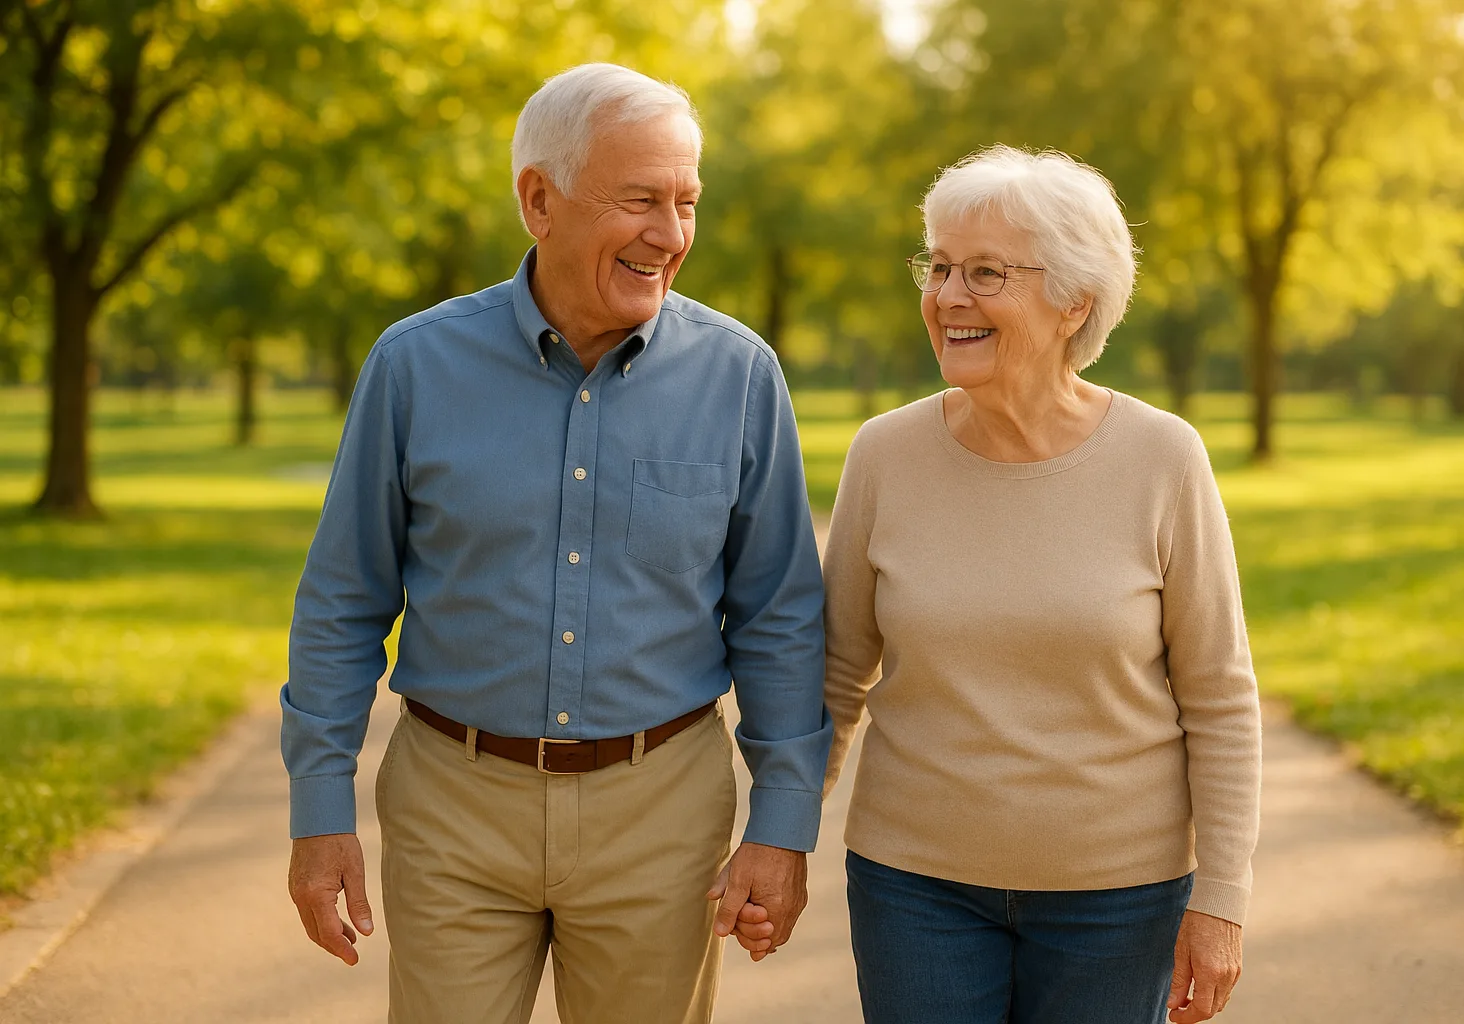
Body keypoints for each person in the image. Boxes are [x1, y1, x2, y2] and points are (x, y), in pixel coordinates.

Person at [281, 63, 831, 1024]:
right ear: (539, 199)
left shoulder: (740, 377)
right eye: (641, 200)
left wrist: (782, 825)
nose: (670, 235)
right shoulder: (414, 367)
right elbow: (343, 599)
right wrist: (320, 810)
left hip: (661, 813)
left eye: (687, 203)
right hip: (453, 807)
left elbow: (780, 617)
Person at [820, 146, 1262, 1024]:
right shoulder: (884, 454)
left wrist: (1221, 899)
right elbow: (836, 678)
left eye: (986, 273)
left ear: (1075, 303)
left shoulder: (1163, 458)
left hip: (1119, 898)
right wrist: (777, 837)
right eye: (940, 266)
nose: (949, 297)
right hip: (915, 887)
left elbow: (1219, 697)